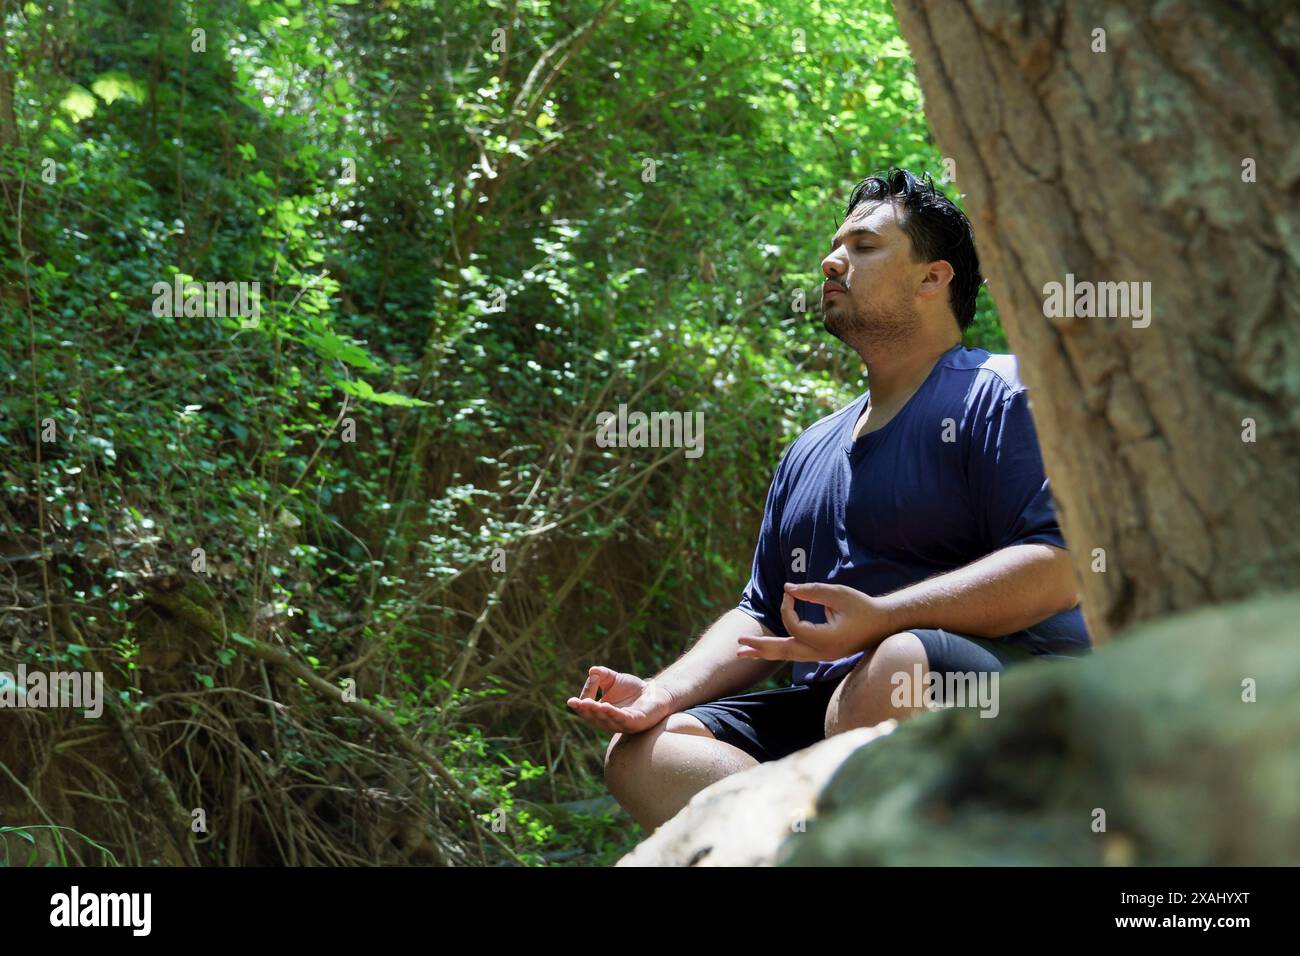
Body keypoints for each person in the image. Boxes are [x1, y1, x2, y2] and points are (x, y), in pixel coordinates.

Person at [568, 168, 1091, 832]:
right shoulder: (810, 449)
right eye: (836, 243)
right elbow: (760, 614)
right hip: (840, 711)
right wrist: (660, 693)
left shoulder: (1003, 393)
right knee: (647, 753)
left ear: (933, 278)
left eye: (864, 245)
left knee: (892, 666)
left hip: (1009, 698)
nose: (831, 259)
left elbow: (1056, 569)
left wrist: (878, 617)